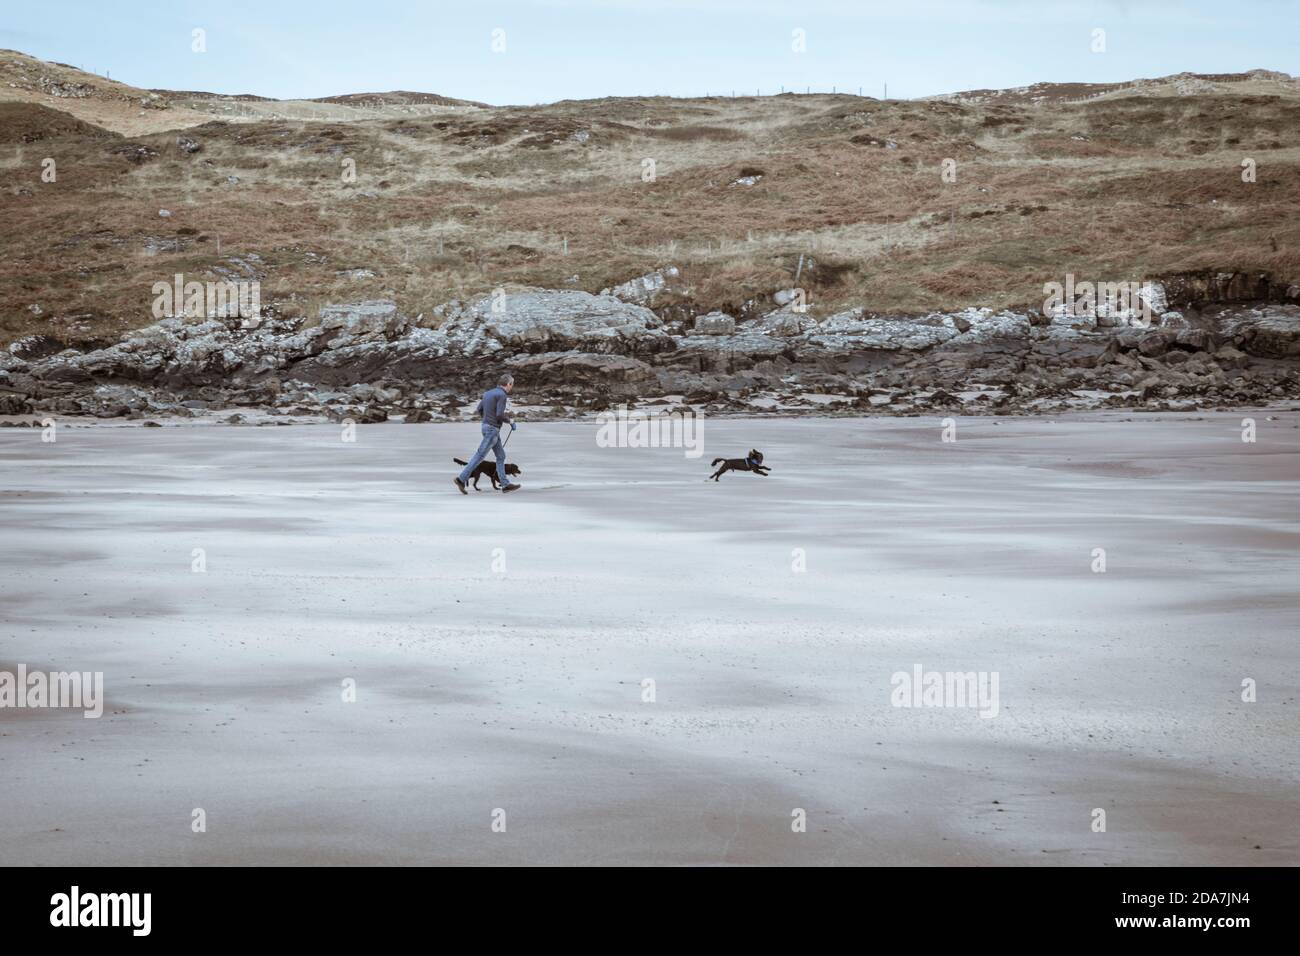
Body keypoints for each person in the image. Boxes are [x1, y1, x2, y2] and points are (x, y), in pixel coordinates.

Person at [454, 373, 521, 494]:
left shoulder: (488, 393)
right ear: (508, 384)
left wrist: (486, 420)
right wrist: (510, 421)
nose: (512, 387)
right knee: (479, 456)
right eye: (512, 384)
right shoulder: (502, 395)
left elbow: (479, 409)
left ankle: (505, 484)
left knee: (501, 456)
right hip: (492, 430)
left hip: (487, 428)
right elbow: (499, 415)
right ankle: (461, 479)